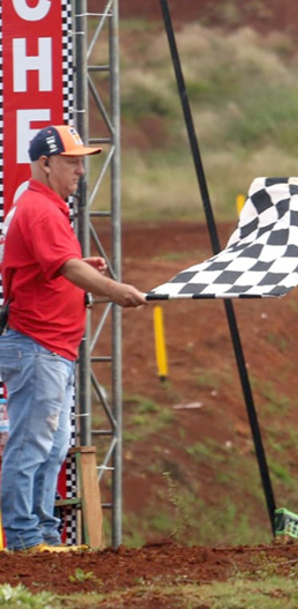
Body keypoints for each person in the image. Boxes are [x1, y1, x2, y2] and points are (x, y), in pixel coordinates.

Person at [0, 125, 147, 553]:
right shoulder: (42, 209)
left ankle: (42, 536)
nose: (81, 171)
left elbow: (48, 263)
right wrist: (114, 289)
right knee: (32, 445)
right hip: (38, 345)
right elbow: (63, 267)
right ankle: (26, 541)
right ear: (45, 163)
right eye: (72, 162)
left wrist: (79, 265)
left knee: (51, 445)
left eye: (83, 161)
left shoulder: (42, 204)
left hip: (50, 347)